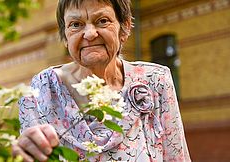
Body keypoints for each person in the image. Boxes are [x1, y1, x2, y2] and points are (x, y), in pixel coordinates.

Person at [12, 0, 191, 161]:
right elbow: (31, 156)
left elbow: (176, 156)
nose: (89, 34)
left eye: (102, 21)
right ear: (65, 37)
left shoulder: (155, 80)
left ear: (125, 27)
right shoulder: (42, 88)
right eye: (76, 24)